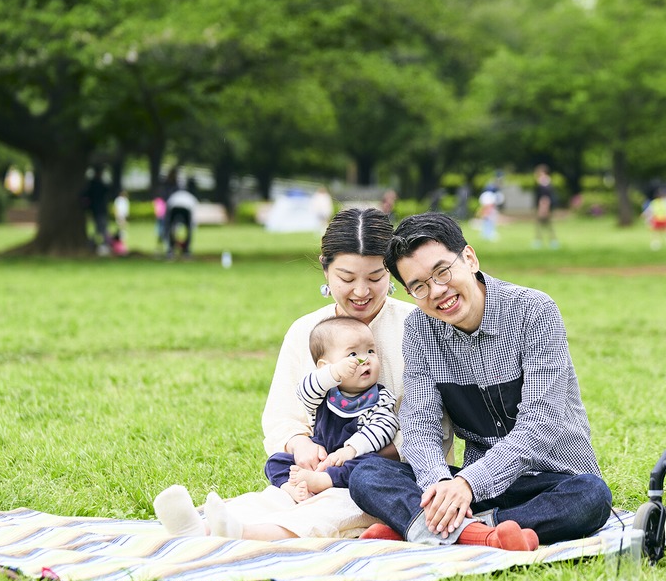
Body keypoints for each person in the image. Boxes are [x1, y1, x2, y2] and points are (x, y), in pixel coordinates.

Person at [154, 208, 451, 541]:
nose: (361, 292)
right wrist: (302, 448)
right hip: (319, 462)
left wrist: (346, 461)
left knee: (342, 501)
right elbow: (283, 415)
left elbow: (431, 431)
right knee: (282, 495)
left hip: (388, 470)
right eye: (347, 278)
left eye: (375, 277)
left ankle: (241, 533)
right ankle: (205, 525)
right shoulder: (306, 331)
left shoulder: (420, 327)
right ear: (325, 269)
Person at [349, 212, 612, 551]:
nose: (437, 291)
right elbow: (419, 425)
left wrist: (467, 485)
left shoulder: (534, 311)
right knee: (368, 473)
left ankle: (424, 528)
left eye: (442, 272)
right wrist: (441, 485)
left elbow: (539, 426)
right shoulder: (418, 330)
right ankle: (481, 533)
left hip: (550, 480)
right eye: (419, 286)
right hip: (467, 489)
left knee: (591, 497)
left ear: (469, 258)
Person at [264, 316, 398, 503]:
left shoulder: (379, 397)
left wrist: (349, 451)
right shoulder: (324, 393)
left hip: (352, 458)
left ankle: (324, 481)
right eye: (352, 355)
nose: (365, 359)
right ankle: (290, 487)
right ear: (325, 368)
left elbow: (384, 427)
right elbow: (304, 391)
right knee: (277, 460)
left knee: (369, 465)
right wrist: (334, 373)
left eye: (370, 351)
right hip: (320, 456)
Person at [532, 164, 558, 249]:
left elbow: (544, 197)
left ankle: (544, 241)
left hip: (544, 205)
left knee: (543, 224)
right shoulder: (546, 182)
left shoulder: (544, 183)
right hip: (545, 205)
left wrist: (543, 208)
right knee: (546, 224)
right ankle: (551, 241)